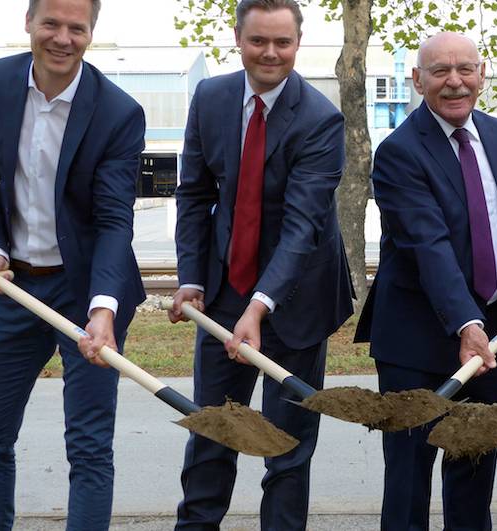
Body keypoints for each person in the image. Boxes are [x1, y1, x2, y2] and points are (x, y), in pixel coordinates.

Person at [354, 32, 497, 530]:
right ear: (418, 80)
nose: (454, 82)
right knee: (409, 476)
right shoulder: (399, 151)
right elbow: (429, 247)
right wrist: (467, 322)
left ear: (482, 75)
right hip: (416, 340)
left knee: (474, 469)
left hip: (494, 331)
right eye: (440, 71)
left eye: (465, 69)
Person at [166, 0, 353, 528]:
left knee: (286, 448)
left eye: (283, 42)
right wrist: (192, 280)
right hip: (223, 293)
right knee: (214, 434)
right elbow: (195, 194)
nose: (270, 53)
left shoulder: (321, 118)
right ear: (237, 37)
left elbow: (301, 228)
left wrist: (260, 306)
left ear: (299, 41)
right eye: (258, 41)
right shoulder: (211, 96)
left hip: (298, 301)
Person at [0, 0, 146, 529]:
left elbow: (114, 221)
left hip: (86, 290)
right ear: (28, 23)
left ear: (91, 33)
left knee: (88, 445)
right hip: (16, 286)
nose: (63, 38)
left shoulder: (118, 112)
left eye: (77, 28)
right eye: (51, 23)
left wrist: (105, 309)